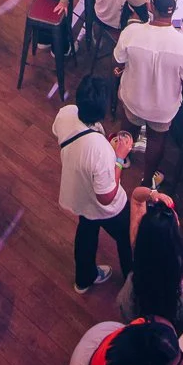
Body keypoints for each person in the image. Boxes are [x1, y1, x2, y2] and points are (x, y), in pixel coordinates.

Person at [113, 0, 183, 183]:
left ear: (151, 7)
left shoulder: (131, 32)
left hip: (133, 98)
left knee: (128, 126)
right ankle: (147, 180)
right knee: (156, 140)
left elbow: (117, 61)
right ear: (174, 9)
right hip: (162, 109)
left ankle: (121, 160)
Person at [52, 75, 133, 293]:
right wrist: (119, 158)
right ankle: (131, 283)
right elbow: (106, 197)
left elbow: (60, 133)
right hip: (106, 204)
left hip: (79, 190)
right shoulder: (100, 150)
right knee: (126, 236)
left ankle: (84, 278)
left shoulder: (66, 114)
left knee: (87, 228)